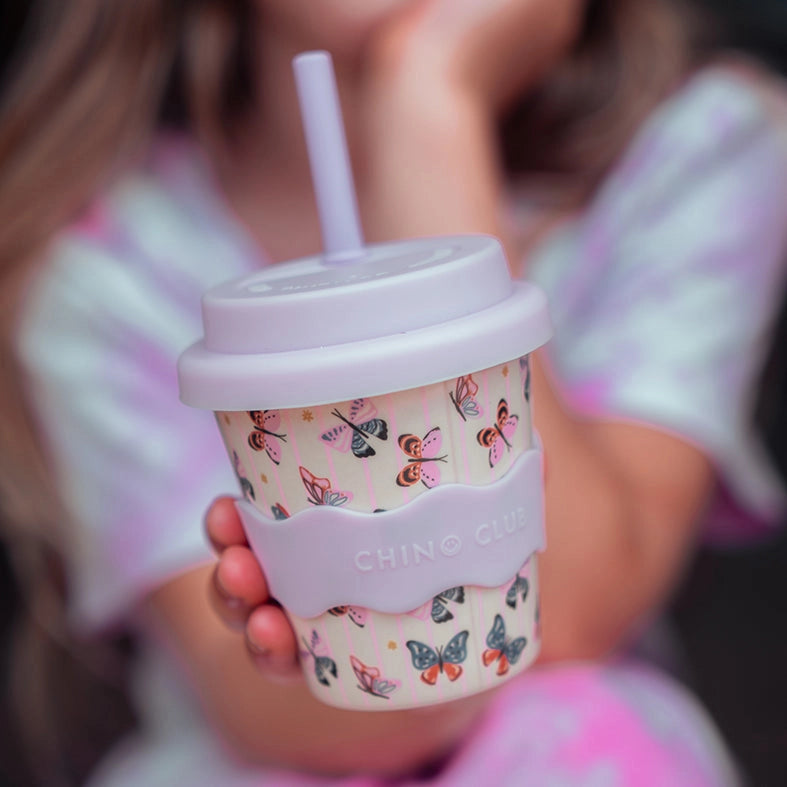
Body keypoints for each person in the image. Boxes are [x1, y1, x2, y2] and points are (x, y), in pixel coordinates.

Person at [2, 0, 787, 784]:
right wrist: (379, 649)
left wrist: (429, 104)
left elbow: (576, 615)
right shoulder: (110, 267)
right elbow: (240, 699)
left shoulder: (694, 149)